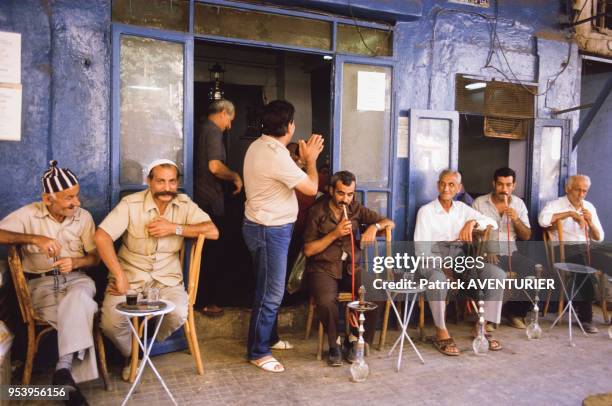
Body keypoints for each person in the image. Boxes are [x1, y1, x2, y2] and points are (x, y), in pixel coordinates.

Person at [96, 159, 218, 379]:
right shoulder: (131, 204)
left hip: (167, 279)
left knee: (178, 313)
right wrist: (119, 275)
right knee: (111, 323)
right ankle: (135, 354)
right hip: (131, 278)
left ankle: (145, 346)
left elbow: (212, 231)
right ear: (149, 181)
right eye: (160, 181)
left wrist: (174, 228)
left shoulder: (184, 204)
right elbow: (101, 237)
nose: (167, 188)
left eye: (172, 182)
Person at [0, 160, 99, 405]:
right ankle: (64, 377)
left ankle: (63, 371)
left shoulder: (83, 217)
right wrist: (35, 238)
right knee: (82, 310)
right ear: (48, 199)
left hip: (77, 280)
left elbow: (96, 258)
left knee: (79, 298)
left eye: (76, 195)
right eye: (68, 198)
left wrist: (75, 263)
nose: (76, 202)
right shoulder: (28, 214)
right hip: (41, 286)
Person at [242, 100, 323, 372]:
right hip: (270, 231)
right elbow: (311, 189)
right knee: (272, 292)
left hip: (263, 227)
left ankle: (270, 337)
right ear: (289, 126)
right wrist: (311, 161)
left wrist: (299, 161)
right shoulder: (276, 156)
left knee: (265, 287)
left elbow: (284, 173)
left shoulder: (259, 146)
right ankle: (258, 350)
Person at [303, 171, 394, 366]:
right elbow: (309, 250)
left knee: (375, 293)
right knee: (326, 301)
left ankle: (354, 339)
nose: (345, 199)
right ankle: (334, 344)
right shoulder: (317, 212)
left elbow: (389, 222)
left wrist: (373, 227)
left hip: (351, 268)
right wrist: (334, 234)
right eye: (341, 193)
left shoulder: (356, 209)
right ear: (330, 190)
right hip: (323, 268)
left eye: (350, 194)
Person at [414, 169, 502, 356]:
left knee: (496, 275)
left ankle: (482, 326)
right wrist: (445, 268)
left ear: (459, 188)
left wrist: (472, 223)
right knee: (438, 279)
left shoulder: (463, 209)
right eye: (443, 184)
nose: (446, 188)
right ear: (438, 185)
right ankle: (441, 331)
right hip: (432, 262)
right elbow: (421, 251)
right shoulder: (426, 211)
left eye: (451, 184)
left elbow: (492, 223)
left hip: (459, 261)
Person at [538, 174, 604, 334]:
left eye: (585, 191)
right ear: (568, 189)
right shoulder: (556, 204)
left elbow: (599, 237)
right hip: (563, 250)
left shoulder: (589, 207)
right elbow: (543, 221)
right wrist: (568, 214)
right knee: (583, 266)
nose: (581, 195)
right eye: (578, 190)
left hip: (587, 249)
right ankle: (586, 318)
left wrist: (590, 223)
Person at [194, 99, 242, 317]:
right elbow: (214, 166)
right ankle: (207, 301)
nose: (229, 126)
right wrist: (235, 176)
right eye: (230, 120)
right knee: (212, 253)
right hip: (208, 201)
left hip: (200, 199)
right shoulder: (212, 131)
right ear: (223, 113)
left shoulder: (200, 128)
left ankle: (200, 298)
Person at [472, 167, 533, 329]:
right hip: (485, 254)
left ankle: (514, 312)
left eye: (508, 185)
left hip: (510, 253)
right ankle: (489, 318)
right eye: (500, 184)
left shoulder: (519, 204)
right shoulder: (479, 203)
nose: (504, 189)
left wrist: (516, 220)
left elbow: (526, 235)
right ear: (494, 184)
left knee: (536, 270)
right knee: (495, 276)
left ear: (514, 186)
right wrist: (486, 250)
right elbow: (471, 233)